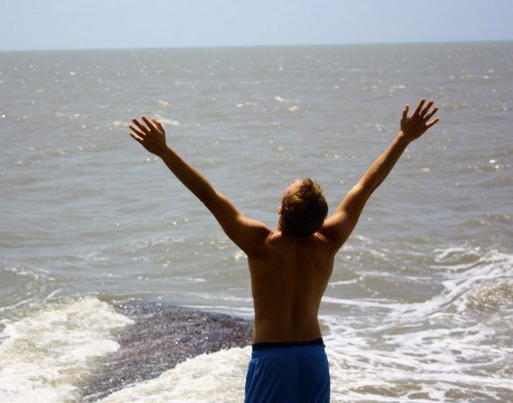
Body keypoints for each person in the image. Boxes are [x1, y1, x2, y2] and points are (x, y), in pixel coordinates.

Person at [128, 99, 439, 402]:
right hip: (312, 356)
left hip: (272, 358)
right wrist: (403, 138)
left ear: (280, 210)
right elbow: (366, 186)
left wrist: (165, 152)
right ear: (319, 218)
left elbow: (207, 196)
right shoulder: (328, 242)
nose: (292, 179)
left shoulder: (261, 245)